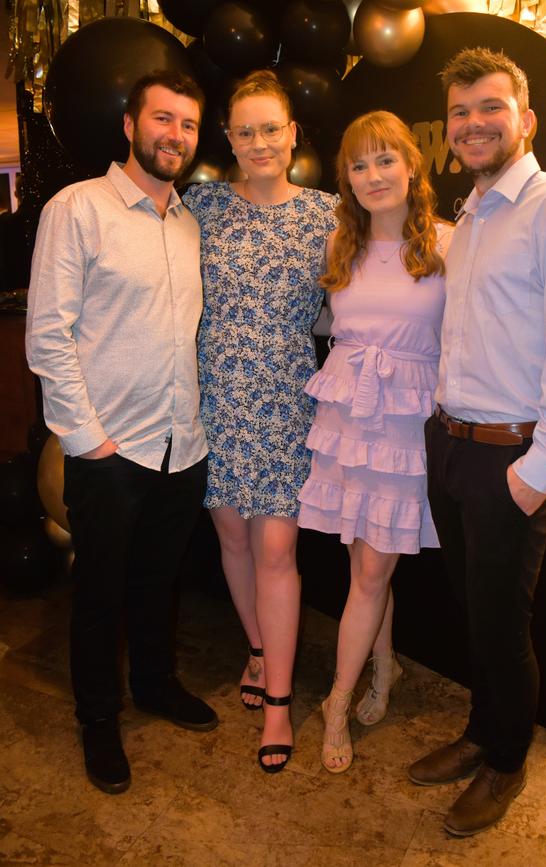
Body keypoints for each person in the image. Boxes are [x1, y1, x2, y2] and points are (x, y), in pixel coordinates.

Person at [408, 47, 546, 836]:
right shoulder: (473, 213)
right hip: (456, 446)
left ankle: (505, 759)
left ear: (525, 119)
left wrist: (542, 464)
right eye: (460, 112)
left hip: (513, 455)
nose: (471, 123)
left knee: (502, 621)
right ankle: (480, 729)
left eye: (489, 108)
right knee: (475, 608)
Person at [26, 70, 216, 796]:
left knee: (158, 582)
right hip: (110, 450)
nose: (176, 135)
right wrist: (88, 443)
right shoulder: (79, 208)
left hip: (181, 443)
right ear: (131, 125)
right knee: (99, 594)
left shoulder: (188, 221)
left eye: (189, 125)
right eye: (163, 119)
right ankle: (98, 717)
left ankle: (157, 684)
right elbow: (49, 337)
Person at [183, 70, 337, 774]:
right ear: (228, 138)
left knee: (276, 550)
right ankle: (256, 646)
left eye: (270, 128)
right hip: (212, 400)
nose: (258, 143)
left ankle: (278, 702)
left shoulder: (328, 213)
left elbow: (380, 269)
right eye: (244, 131)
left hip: (284, 405)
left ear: (294, 132)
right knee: (234, 540)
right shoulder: (201, 205)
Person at [297, 110, 451, 773]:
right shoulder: (340, 247)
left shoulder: (449, 243)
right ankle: (382, 670)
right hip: (349, 421)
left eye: (385, 159)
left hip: (408, 426)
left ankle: (336, 700)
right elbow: (330, 326)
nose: (372, 175)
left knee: (370, 568)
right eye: (358, 165)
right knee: (367, 562)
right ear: (347, 180)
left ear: (413, 165)